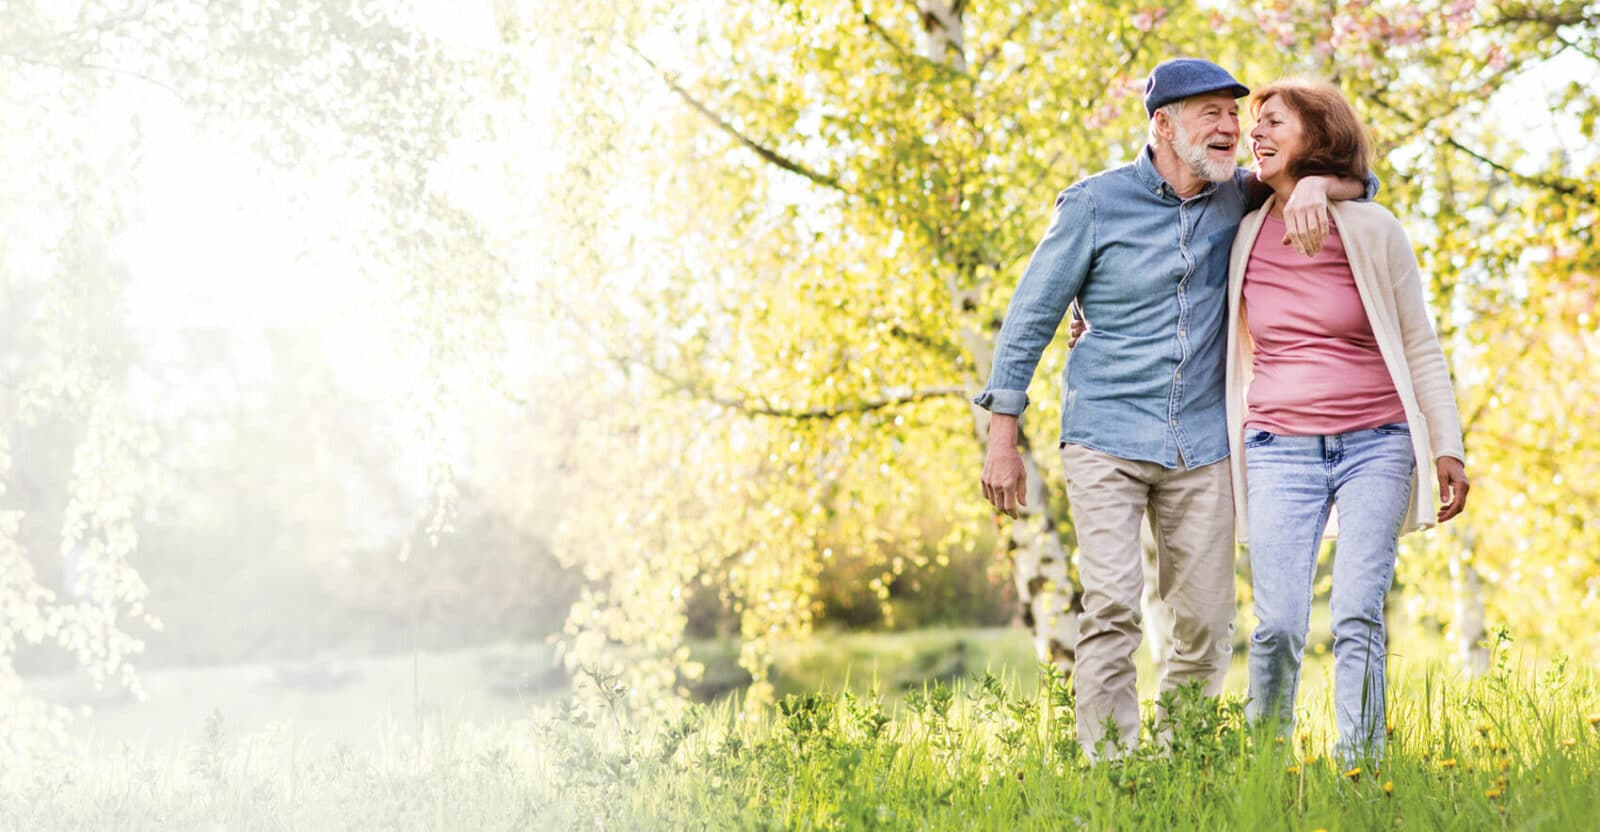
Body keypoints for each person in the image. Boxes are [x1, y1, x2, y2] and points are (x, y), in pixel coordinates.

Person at [976, 58, 1372, 760]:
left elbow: (1362, 184)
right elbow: (1029, 319)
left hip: (1204, 442)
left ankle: (1179, 766)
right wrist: (1001, 434)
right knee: (1111, 610)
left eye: (1235, 113)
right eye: (1213, 114)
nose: (1232, 128)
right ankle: (1112, 773)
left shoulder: (1239, 197)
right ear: (1164, 124)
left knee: (1206, 623)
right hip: (1104, 436)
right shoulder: (1094, 204)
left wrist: (1313, 182)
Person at [1224, 79, 1469, 763]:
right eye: (1255, 125)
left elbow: (1420, 341)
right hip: (1277, 447)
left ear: (1318, 135)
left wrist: (1445, 444)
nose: (1256, 134)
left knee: (1358, 612)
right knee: (1275, 625)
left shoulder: (1373, 228)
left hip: (1378, 443)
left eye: (1274, 122)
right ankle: (1265, 766)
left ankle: (1360, 768)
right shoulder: (1240, 230)